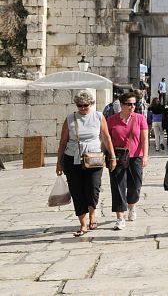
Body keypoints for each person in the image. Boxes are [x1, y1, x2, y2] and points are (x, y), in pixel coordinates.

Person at [56, 90, 116, 237]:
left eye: (85, 105)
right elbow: (63, 142)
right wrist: (59, 163)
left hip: (94, 157)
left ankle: (93, 213)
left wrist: (113, 156)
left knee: (93, 188)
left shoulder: (98, 116)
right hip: (73, 158)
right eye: (79, 105)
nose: (82, 108)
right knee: (77, 191)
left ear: (91, 104)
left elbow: (106, 137)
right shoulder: (70, 118)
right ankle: (83, 223)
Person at [107, 92, 149, 230]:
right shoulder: (112, 120)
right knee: (118, 186)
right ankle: (120, 217)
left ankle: (132, 206)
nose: (132, 107)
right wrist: (109, 155)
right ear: (122, 105)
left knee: (135, 186)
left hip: (135, 157)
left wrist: (145, 156)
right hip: (118, 157)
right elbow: (106, 139)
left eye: (134, 104)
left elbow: (144, 139)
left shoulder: (140, 118)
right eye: (129, 104)